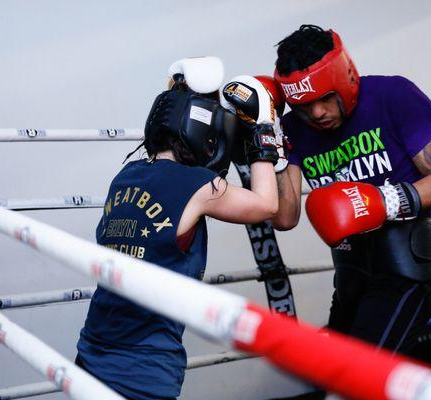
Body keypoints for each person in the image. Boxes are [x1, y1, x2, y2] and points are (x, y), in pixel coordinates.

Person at [75, 57, 280, 400]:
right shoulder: (199, 185)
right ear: (203, 132)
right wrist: (264, 129)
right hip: (144, 365)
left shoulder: (124, 176)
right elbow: (267, 205)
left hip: (92, 347)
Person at [269, 25, 431, 354]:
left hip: (406, 266)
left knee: (360, 371)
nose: (316, 113)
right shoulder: (293, 129)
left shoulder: (394, 96)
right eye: (304, 106)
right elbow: (285, 218)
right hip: (350, 269)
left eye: (325, 99)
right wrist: (267, 139)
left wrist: (382, 200)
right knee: (337, 369)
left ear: (344, 78)